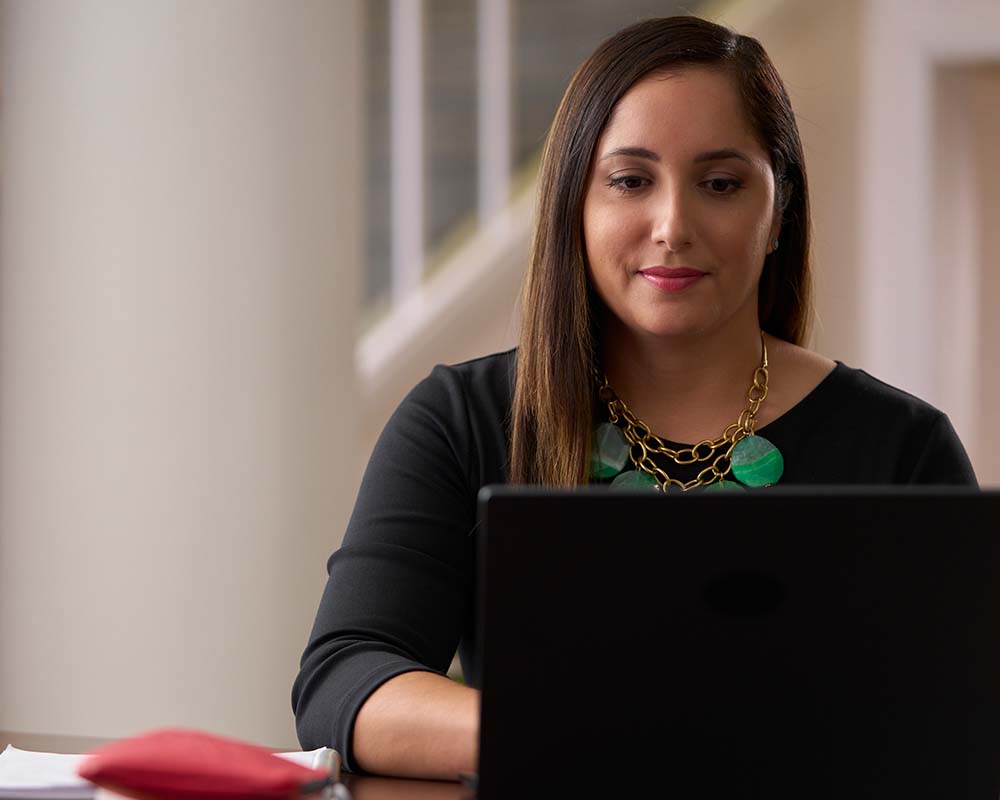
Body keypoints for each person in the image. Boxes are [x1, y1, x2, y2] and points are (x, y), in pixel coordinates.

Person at [291, 15, 977, 781]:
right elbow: (344, 681)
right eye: (630, 180)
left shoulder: (903, 448)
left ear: (778, 210)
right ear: (574, 205)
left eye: (720, 183)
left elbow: (957, 730)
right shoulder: (461, 418)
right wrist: (588, 732)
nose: (672, 226)